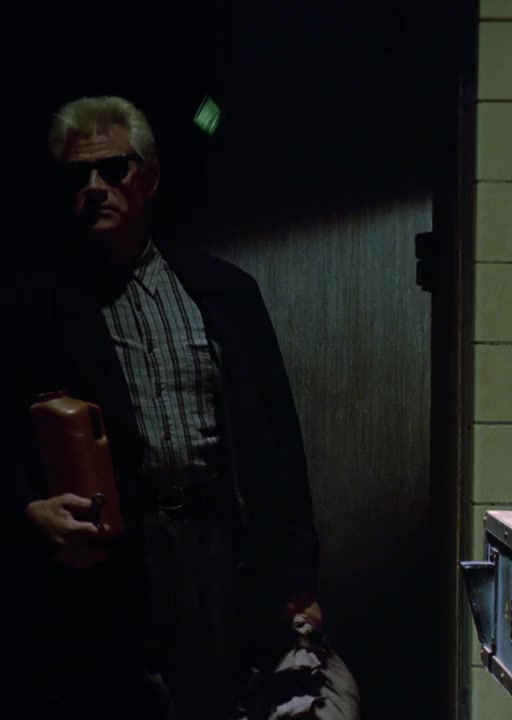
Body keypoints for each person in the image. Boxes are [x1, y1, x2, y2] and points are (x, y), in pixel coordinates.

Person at [4, 95, 321, 720]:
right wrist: (27, 511)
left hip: (219, 548)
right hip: (110, 563)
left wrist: (299, 579)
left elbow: (279, 442)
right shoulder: (35, 310)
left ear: (148, 178)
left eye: (113, 168)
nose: (94, 187)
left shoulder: (224, 292)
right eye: (77, 175)